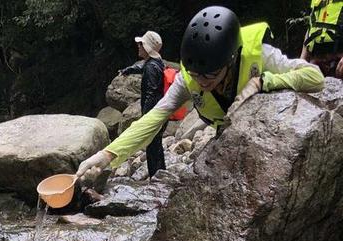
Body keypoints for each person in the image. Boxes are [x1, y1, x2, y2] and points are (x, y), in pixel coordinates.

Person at [76, 6, 325, 181]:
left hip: (272, 134)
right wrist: (107, 154)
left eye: (209, 75)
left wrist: (264, 81)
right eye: (195, 75)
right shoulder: (189, 77)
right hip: (227, 134)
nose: (201, 82)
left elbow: (315, 78)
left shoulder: (259, 54)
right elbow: (153, 118)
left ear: (231, 59)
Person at [119, 31, 167, 178]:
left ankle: (157, 180)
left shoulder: (152, 67)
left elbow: (152, 93)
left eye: (141, 44)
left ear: (147, 47)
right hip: (159, 112)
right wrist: (129, 70)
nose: (138, 46)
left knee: (152, 148)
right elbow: (142, 68)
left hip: (153, 114)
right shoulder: (155, 62)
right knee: (155, 146)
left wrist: (145, 118)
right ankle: (162, 176)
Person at [300, 0, 343, 78]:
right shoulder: (317, 1)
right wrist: (302, 61)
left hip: (339, 61)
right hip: (318, 61)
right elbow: (311, 29)